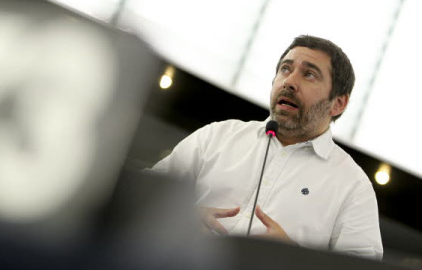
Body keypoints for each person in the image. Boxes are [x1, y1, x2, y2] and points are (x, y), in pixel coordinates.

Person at [149, 35, 383, 260]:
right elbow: (140, 196)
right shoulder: (216, 137)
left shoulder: (353, 187)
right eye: (285, 69)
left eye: (309, 74)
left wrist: (292, 259)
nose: (290, 82)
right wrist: (181, 216)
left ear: (338, 103)